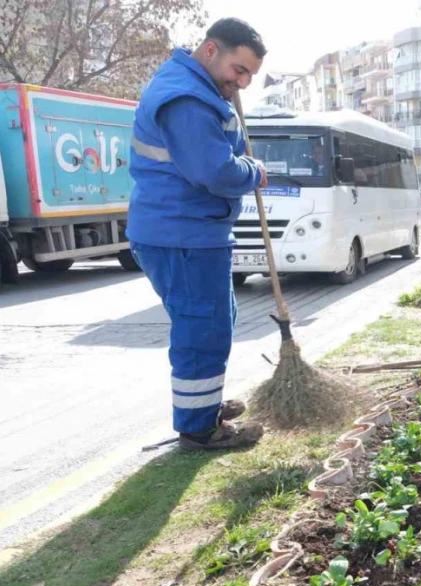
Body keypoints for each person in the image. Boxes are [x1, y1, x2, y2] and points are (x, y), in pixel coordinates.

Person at [126, 18, 268, 450]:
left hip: (192, 234)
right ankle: (198, 429)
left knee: (213, 324)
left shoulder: (199, 89)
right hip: (182, 235)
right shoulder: (186, 99)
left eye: (249, 76)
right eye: (238, 70)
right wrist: (253, 170)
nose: (241, 83)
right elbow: (214, 170)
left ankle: (202, 407)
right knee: (200, 330)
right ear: (210, 50)